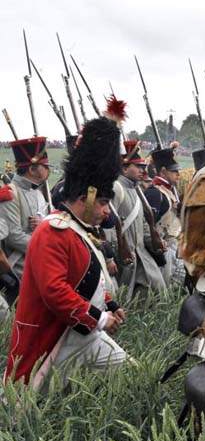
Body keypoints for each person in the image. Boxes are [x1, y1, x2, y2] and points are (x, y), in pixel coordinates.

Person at [4, 115, 128, 387]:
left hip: (83, 331)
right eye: (104, 203)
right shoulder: (53, 230)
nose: (107, 212)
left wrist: (110, 304)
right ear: (86, 198)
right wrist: (99, 318)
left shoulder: (79, 228)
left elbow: (87, 280)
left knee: (130, 375)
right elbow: (55, 291)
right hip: (54, 335)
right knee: (28, 404)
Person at [109, 140, 166, 297]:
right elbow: (108, 226)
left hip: (141, 255)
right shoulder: (116, 188)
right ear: (124, 167)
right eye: (138, 167)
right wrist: (115, 253)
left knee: (156, 292)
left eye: (143, 167)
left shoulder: (136, 190)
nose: (142, 170)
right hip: (125, 257)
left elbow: (143, 225)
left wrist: (156, 242)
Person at [0, 136, 52, 280]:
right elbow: (14, 237)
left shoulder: (38, 192)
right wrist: (49, 247)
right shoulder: (10, 194)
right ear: (32, 169)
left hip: (42, 263)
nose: (48, 169)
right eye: (45, 166)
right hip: (21, 268)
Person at [145, 146, 182, 283]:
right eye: (174, 171)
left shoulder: (169, 190)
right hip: (161, 249)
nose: (178, 174)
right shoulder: (155, 193)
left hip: (173, 246)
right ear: (163, 171)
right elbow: (148, 226)